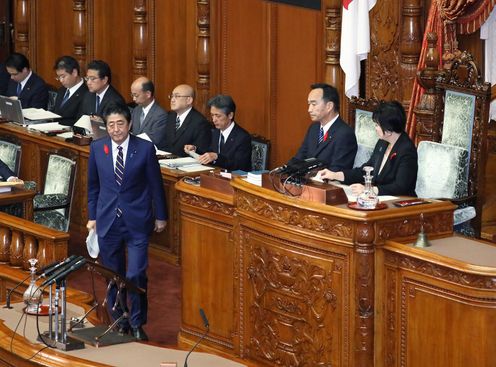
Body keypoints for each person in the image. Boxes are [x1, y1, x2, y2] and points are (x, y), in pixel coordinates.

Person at [86, 102, 167, 341]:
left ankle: (137, 322)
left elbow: (156, 185)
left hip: (137, 221)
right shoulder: (97, 148)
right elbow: (93, 187)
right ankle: (119, 319)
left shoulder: (144, 149)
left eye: (120, 123)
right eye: (110, 124)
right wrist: (92, 216)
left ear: (129, 124)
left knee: (136, 274)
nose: (115, 129)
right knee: (113, 274)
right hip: (107, 221)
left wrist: (161, 215)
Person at [316, 101, 418, 197]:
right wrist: (335, 175)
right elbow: (365, 170)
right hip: (380, 200)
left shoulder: (406, 150)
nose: (375, 128)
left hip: (401, 203)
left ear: (388, 130)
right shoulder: (382, 143)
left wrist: (369, 190)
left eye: (377, 125)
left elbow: (401, 186)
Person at [291, 83, 357, 171]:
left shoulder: (345, 134)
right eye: (309, 104)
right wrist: (284, 170)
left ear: (329, 106)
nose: (309, 109)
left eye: (314, 104)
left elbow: (337, 171)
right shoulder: (314, 128)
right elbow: (299, 158)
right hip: (307, 181)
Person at [184, 94, 251, 171]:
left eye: (218, 116)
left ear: (230, 115)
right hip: (216, 175)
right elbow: (210, 152)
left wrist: (216, 157)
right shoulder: (215, 132)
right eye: (212, 115)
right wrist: (195, 149)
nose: (214, 120)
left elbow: (239, 165)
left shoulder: (242, 137)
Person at [163, 84, 211, 156]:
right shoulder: (170, 116)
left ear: (189, 100)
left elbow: (201, 151)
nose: (172, 100)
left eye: (177, 96)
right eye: (172, 96)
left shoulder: (200, 122)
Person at [130, 77, 168, 149]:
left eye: (136, 95)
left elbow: (155, 139)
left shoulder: (160, 115)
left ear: (148, 94)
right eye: (132, 95)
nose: (133, 99)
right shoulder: (136, 110)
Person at [52, 56, 89, 126]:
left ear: (74, 72)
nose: (61, 80)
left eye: (63, 76)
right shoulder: (61, 90)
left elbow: (79, 122)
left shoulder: (87, 93)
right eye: (58, 77)